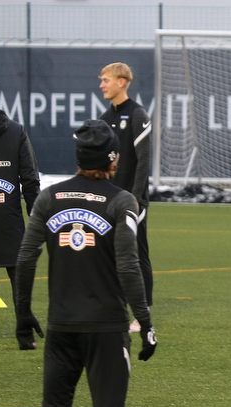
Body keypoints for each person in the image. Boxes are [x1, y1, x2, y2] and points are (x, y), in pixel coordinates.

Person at [15, 119, 158, 407]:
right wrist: (145, 321)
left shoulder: (49, 197)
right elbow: (130, 266)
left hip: (60, 328)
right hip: (106, 330)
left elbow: (26, 258)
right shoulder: (121, 200)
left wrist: (23, 314)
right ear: (113, 160)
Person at [99, 62, 153, 331]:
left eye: (106, 80)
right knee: (107, 253)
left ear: (122, 82)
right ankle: (114, 306)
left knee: (136, 254)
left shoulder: (138, 115)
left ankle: (143, 315)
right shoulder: (104, 117)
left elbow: (143, 162)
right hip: (107, 199)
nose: (101, 85)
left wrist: (135, 198)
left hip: (132, 200)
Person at [0, 74, 40, 318]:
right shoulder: (16, 131)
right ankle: (25, 333)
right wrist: (35, 215)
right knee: (18, 275)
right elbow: (30, 178)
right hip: (8, 220)